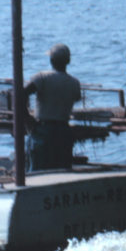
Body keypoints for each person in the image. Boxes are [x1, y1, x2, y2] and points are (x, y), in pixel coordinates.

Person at [24, 43, 82, 171]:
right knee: (62, 170)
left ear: (51, 60)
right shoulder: (74, 83)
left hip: (43, 130)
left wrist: (26, 117)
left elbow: (22, 94)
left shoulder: (42, 77)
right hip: (63, 131)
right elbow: (77, 97)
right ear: (68, 61)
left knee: (37, 171)